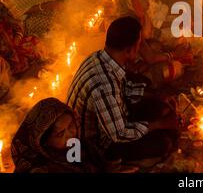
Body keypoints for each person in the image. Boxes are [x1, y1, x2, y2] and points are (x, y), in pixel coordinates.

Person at [67, 17, 179, 167]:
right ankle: (123, 163)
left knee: (161, 107)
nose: (140, 50)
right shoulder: (103, 83)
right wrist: (159, 124)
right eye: (138, 45)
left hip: (112, 121)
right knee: (164, 143)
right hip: (97, 145)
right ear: (128, 50)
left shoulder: (101, 57)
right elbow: (119, 134)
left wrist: (158, 96)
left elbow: (125, 89)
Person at [11, 98, 96, 173]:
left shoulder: (77, 146)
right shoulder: (40, 169)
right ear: (44, 142)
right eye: (60, 134)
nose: (71, 133)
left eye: (71, 125)